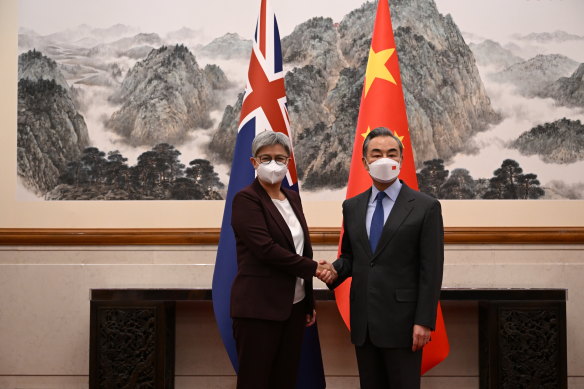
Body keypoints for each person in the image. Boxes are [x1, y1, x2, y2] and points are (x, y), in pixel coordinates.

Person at [319, 126, 444, 389]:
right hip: (364, 323)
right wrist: (334, 270)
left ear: (401, 159)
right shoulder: (352, 206)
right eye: (376, 154)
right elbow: (352, 256)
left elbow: (431, 270)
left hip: (405, 324)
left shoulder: (425, 207)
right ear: (365, 162)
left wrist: (424, 321)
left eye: (391, 153)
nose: (384, 159)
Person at [230, 130, 331, 389]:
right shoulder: (246, 199)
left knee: (285, 380)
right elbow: (266, 249)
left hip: (294, 308)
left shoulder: (292, 198)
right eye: (266, 158)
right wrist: (315, 269)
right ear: (254, 162)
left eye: (280, 158)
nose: (273, 164)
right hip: (259, 309)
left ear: (288, 163)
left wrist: (308, 301)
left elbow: (300, 248)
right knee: (256, 381)